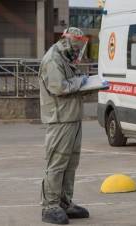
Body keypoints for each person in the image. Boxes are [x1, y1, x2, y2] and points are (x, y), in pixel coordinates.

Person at [39, 27, 90, 225]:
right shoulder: (53, 59)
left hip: (72, 117)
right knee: (57, 163)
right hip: (59, 119)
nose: (78, 51)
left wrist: (83, 83)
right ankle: (50, 206)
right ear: (67, 42)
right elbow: (59, 87)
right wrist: (81, 82)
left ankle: (64, 202)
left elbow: (70, 83)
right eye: (76, 47)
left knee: (71, 163)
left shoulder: (65, 57)